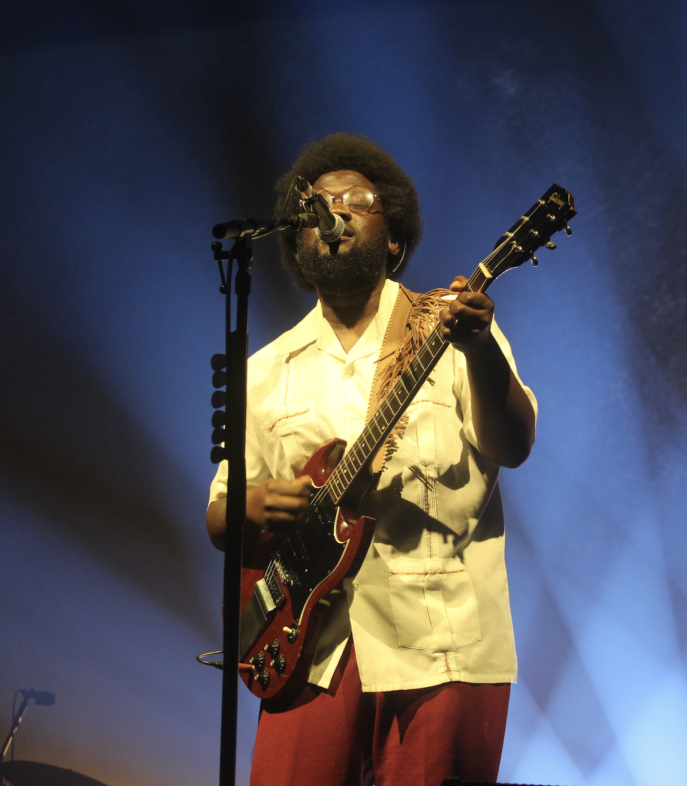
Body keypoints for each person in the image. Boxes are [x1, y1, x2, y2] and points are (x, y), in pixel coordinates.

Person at [206, 133, 537, 786]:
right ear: (298, 239)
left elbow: (515, 445)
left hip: (441, 641)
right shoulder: (265, 370)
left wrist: (479, 351)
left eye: (357, 200)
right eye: (317, 205)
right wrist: (249, 504)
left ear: (394, 237)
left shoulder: (450, 324)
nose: (335, 212)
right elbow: (220, 513)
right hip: (311, 647)